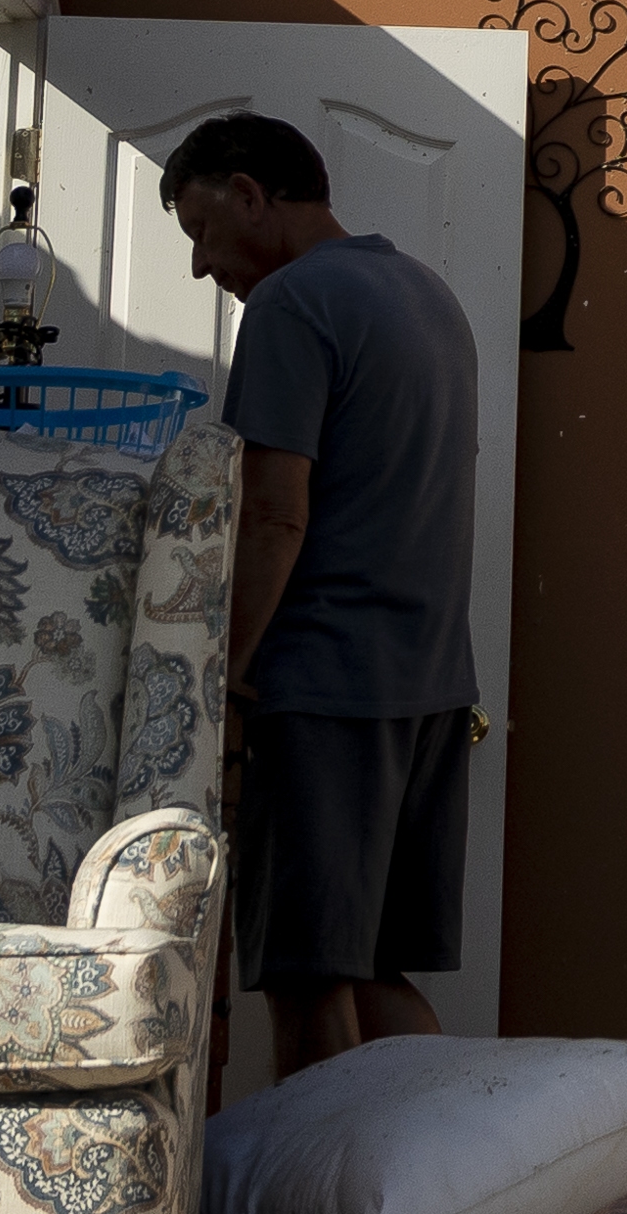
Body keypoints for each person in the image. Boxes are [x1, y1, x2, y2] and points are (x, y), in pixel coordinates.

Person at [163, 109, 481, 1077]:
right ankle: (437, 1202)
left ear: (251, 194)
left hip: (323, 688)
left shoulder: (293, 305)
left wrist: (224, 676)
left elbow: (273, 516)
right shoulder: (425, 294)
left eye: (200, 230)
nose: (199, 265)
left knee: (307, 976)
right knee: (377, 971)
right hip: (428, 686)